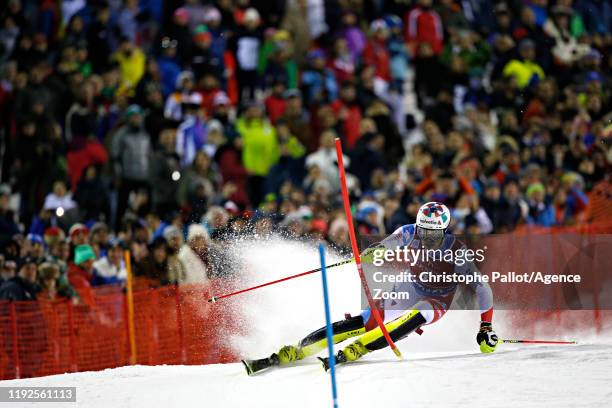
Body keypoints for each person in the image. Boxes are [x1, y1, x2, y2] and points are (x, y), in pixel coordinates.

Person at [242, 202, 498, 375]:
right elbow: (386, 247)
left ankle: (360, 347)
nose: (426, 238)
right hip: (410, 286)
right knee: (365, 320)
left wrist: (485, 326)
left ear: (444, 230)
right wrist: (372, 254)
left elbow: (482, 288)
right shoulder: (409, 232)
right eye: (424, 231)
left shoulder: (456, 251)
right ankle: (296, 350)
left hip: (437, 299)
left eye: (433, 234)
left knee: (418, 314)